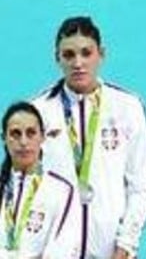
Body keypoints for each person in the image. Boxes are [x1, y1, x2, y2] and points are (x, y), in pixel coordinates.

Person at [33, 17, 146, 259]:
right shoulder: (39, 112)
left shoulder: (128, 107)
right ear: (57, 58)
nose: (78, 63)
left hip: (111, 250)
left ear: (101, 54)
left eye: (86, 53)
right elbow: (27, 186)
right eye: (68, 55)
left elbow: (142, 186)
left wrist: (126, 245)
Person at [1, 101, 81, 259]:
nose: (23, 142)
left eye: (31, 133)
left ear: (43, 137)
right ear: (4, 138)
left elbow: (63, 249)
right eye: (15, 134)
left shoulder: (62, 191)